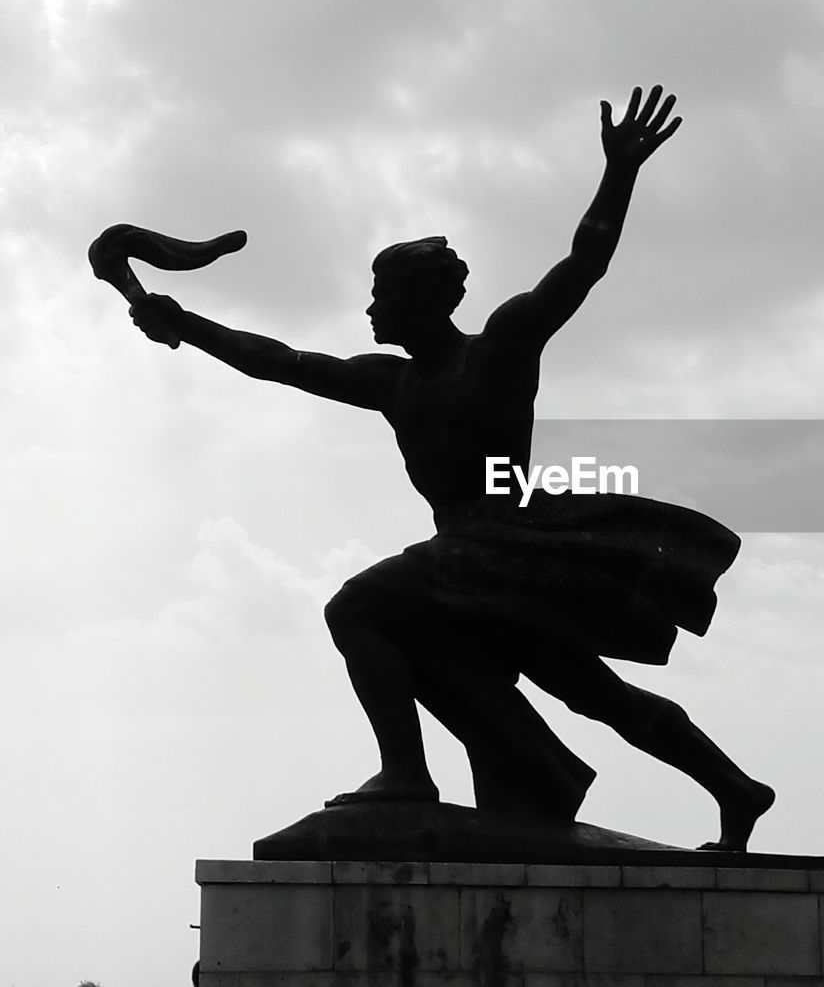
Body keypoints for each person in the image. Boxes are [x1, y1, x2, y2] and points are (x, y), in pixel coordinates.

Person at [129, 85, 774, 851]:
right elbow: (282, 363)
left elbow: (584, 264)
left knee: (356, 608)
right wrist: (186, 324)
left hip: (504, 543)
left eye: (381, 296)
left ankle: (405, 772)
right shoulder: (390, 383)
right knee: (591, 690)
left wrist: (620, 171)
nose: (370, 311)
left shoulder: (497, 350)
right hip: (467, 561)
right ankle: (735, 787)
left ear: (419, 301)